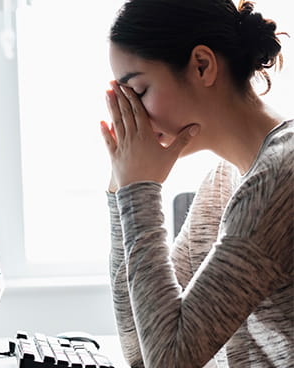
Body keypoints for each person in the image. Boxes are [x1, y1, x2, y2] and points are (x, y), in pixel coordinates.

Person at [99, 0, 293, 367]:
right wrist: (119, 189)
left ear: (202, 66)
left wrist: (139, 189)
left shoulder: (281, 176)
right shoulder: (223, 182)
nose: (132, 116)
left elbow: (168, 361)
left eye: (138, 92)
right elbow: (141, 348)